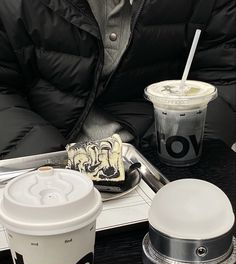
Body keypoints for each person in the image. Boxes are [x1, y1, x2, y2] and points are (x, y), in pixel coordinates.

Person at [0, 0, 235, 159]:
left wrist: (172, 153)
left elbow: (224, 78)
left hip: (157, 155)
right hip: (43, 161)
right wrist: (47, 162)